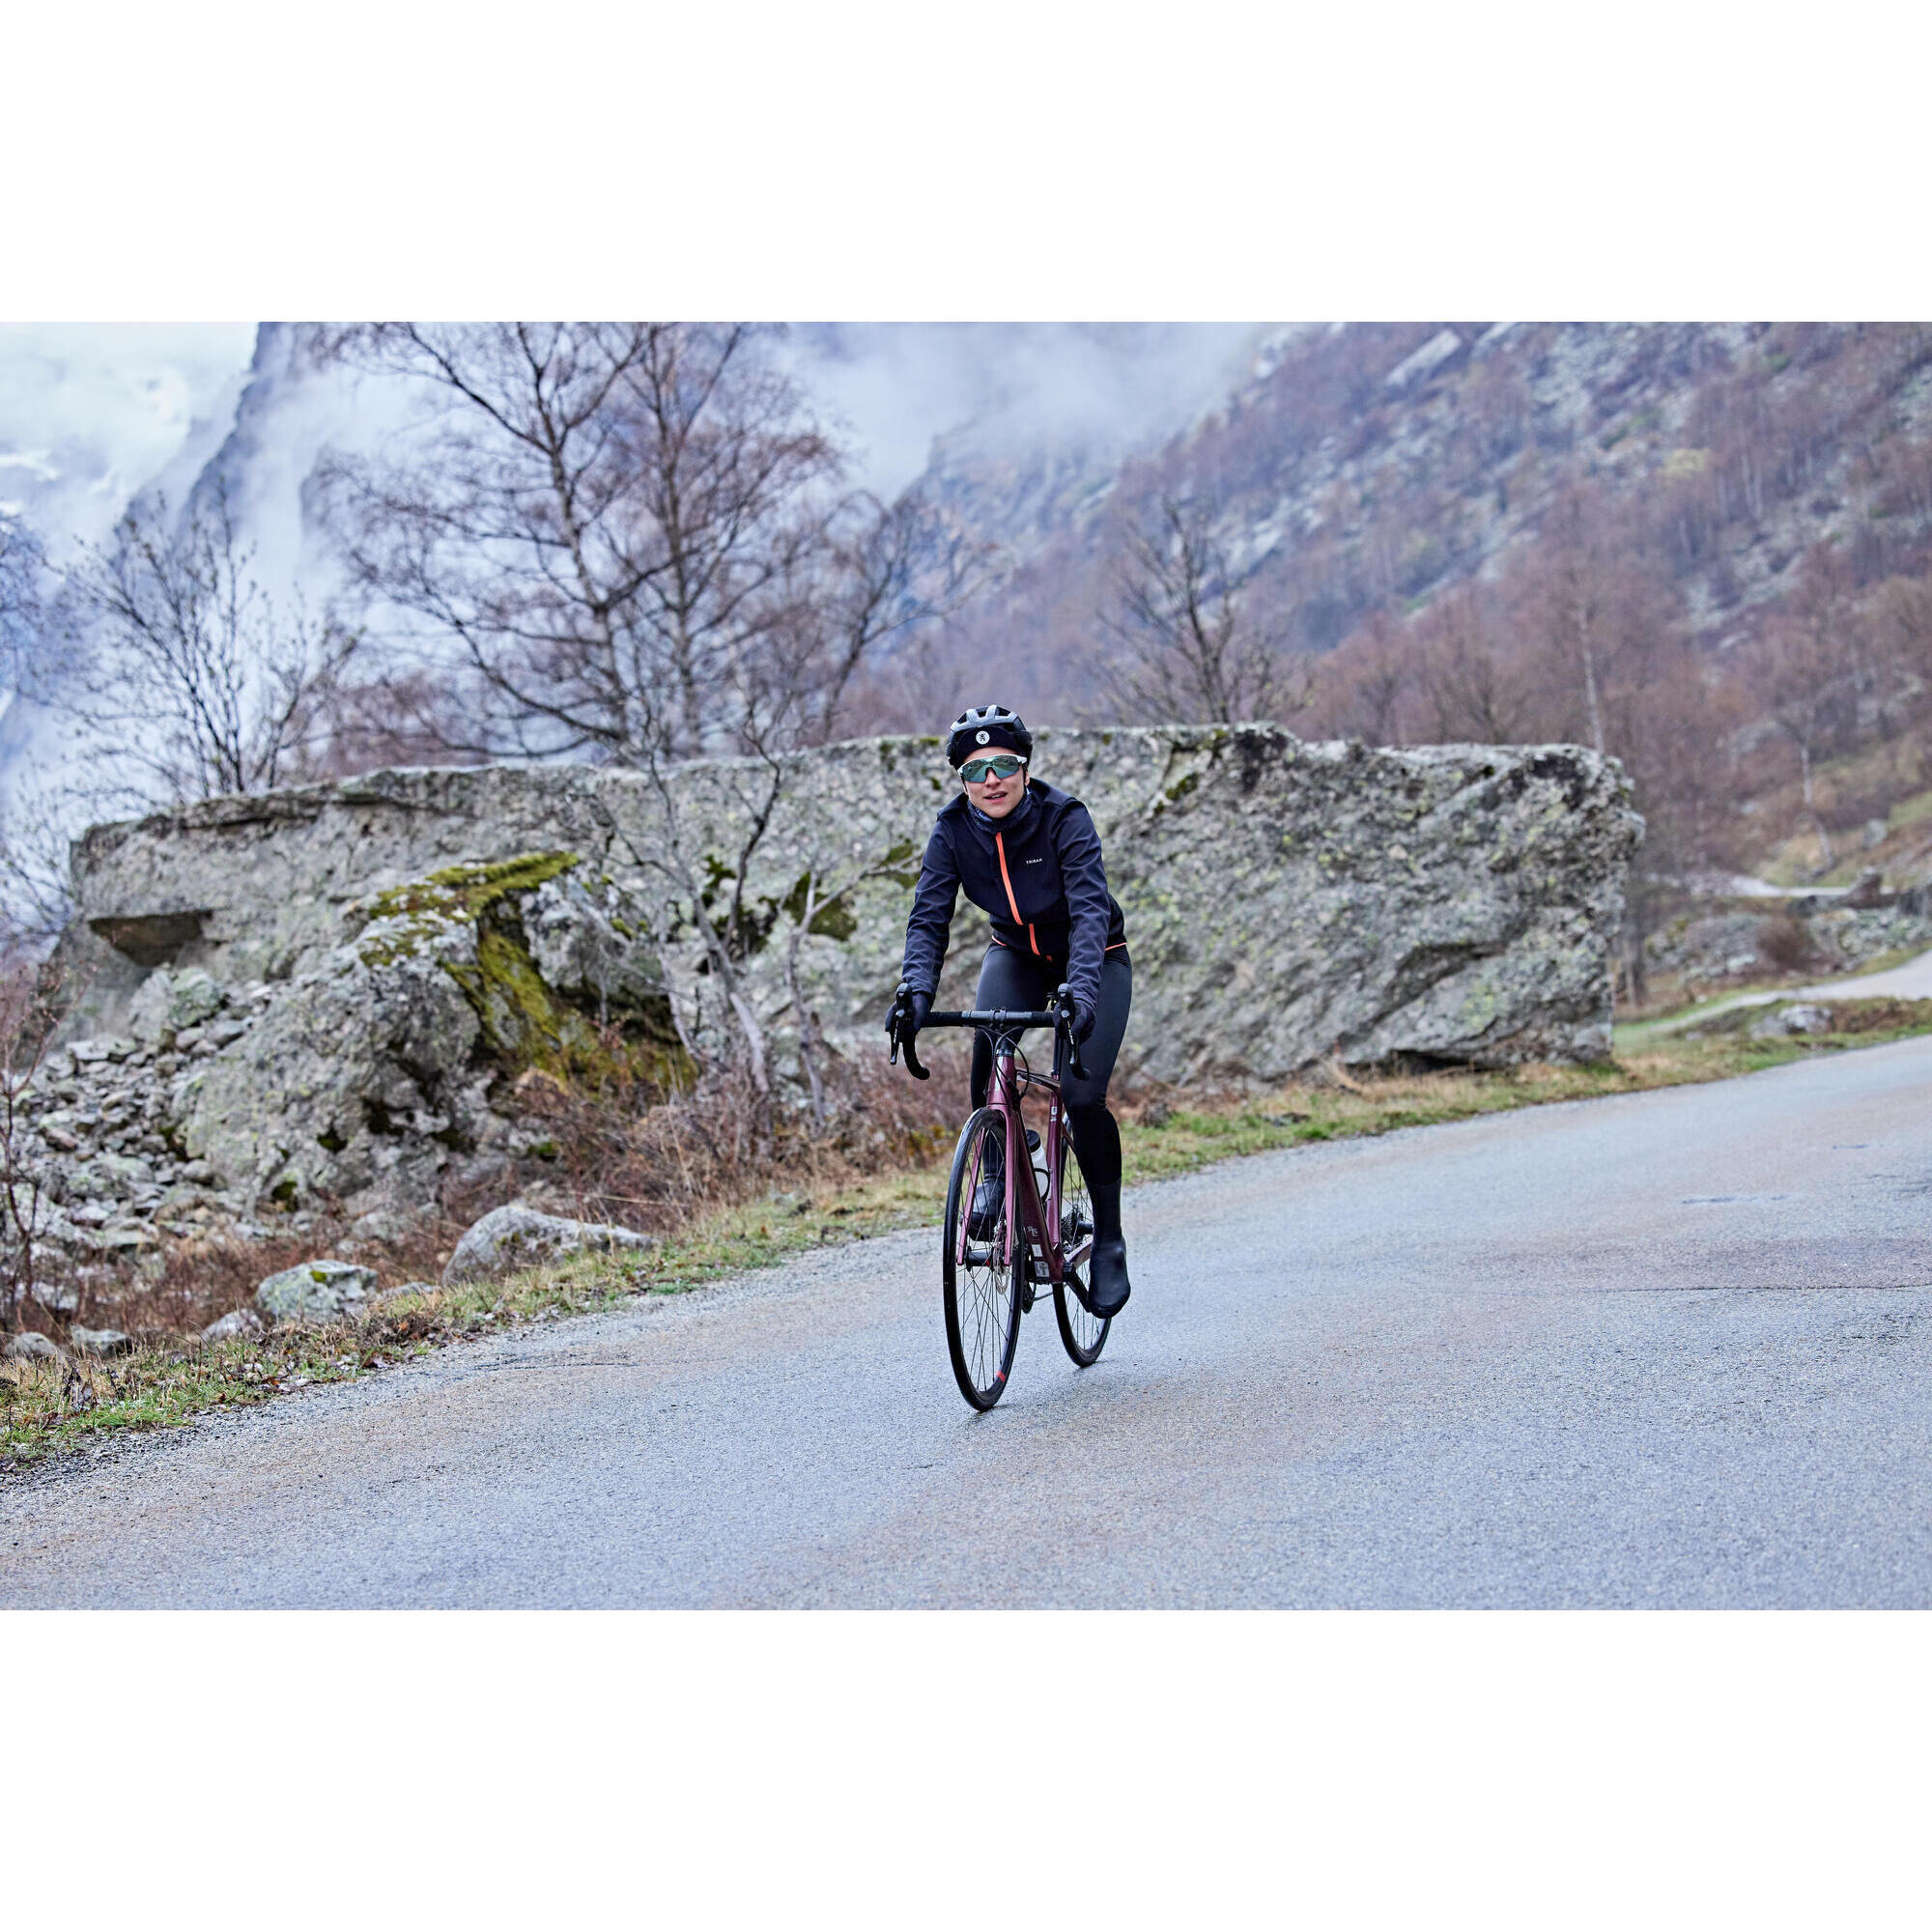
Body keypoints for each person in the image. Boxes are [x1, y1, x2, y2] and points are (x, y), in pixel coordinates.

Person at [892, 704, 1134, 1316]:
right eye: (975, 770)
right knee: (987, 1068)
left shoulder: (1064, 818)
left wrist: (1080, 992)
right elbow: (928, 919)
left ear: (1023, 768)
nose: (990, 780)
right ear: (961, 781)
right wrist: (915, 992)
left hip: (1095, 957)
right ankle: (999, 1164)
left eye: (1002, 764)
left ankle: (1107, 1239)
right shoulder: (951, 831)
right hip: (1017, 954)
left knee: (1081, 1098)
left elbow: (1088, 912)